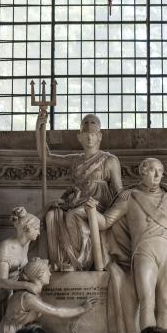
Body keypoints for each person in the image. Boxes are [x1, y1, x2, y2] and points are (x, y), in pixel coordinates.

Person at [98, 158, 167, 333]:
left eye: (160, 171)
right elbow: (105, 222)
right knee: (147, 301)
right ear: (142, 171)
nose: (157, 175)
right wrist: (89, 210)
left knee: (166, 302)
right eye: (153, 170)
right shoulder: (129, 196)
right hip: (144, 251)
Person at [37, 112, 121, 271]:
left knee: (74, 215)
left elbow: (118, 191)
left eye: (93, 134)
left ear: (99, 136)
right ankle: (59, 261)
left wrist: (120, 212)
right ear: (79, 137)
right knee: (51, 215)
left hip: (98, 205)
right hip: (76, 201)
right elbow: (46, 157)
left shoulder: (110, 160)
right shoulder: (75, 159)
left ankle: (79, 262)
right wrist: (39, 128)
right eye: (86, 134)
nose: (89, 137)